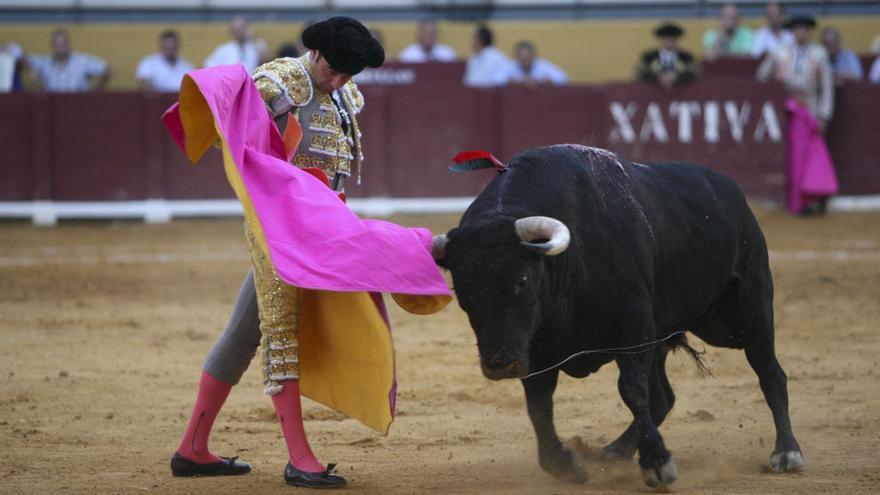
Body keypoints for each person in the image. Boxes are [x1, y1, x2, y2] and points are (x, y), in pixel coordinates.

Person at [169, 17, 420, 489]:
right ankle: (299, 458)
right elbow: (233, 126)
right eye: (336, 71)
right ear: (317, 54)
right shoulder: (280, 82)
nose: (341, 81)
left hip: (321, 230)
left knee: (244, 334)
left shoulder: (344, 93)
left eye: (350, 75)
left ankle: (192, 449)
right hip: (279, 228)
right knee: (281, 329)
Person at [757, 15, 836, 215]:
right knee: (795, 159)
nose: (801, 33)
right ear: (792, 32)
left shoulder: (819, 54)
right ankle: (798, 202)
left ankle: (813, 199)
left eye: (805, 29)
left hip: (811, 112)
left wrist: (824, 115)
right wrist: (778, 89)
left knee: (813, 158)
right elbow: (761, 76)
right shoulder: (779, 52)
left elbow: (827, 86)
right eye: (797, 29)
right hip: (788, 113)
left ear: (809, 32)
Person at [27, 28, 110, 92]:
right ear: (52, 46)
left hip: (78, 105)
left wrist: (97, 91)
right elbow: (22, 57)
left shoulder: (82, 61)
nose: (60, 48)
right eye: (57, 45)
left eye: (63, 44)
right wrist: (33, 72)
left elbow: (106, 69)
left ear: (69, 45)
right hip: (53, 108)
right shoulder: (44, 62)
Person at [635, 22, 699, 91]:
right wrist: (658, 77)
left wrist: (677, 77)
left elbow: (695, 73)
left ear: (676, 40)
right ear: (661, 40)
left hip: (681, 94)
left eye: (672, 38)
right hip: (654, 93)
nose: (669, 41)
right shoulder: (648, 57)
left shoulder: (687, 57)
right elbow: (639, 73)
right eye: (666, 38)